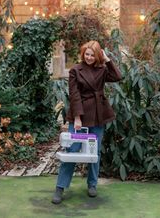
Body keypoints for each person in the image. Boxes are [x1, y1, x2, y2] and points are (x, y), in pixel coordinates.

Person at [52, 40, 122, 204]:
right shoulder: (76, 70)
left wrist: (107, 59)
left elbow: (118, 76)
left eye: (92, 54)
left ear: (98, 55)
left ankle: (92, 184)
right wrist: (77, 117)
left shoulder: (102, 69)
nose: (89, 57)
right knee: (72, 151)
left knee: (94, 152)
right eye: (87, 54)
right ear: (83, 54)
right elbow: (74, 94)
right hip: (80, 115)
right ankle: (60, 187)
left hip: (98, 113)